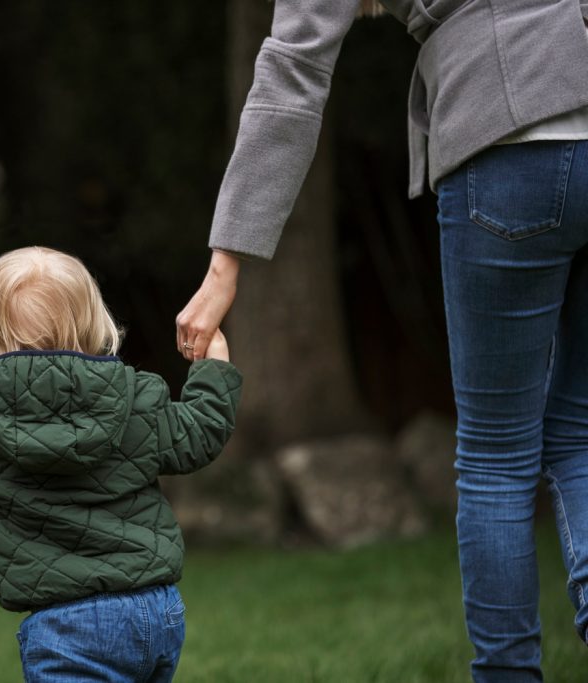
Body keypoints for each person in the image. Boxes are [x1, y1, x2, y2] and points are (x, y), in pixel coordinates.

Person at [176, 1, 588, 680]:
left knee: (495, 455)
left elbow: (293, 68)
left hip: (508, 134)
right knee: (578, 427)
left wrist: (226, 264)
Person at [0, 246, 242, 682]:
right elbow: (200, 433)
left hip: (65, 627)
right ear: (92, 320)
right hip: (153, 610)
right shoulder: (136, 401)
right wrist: (214, 367)